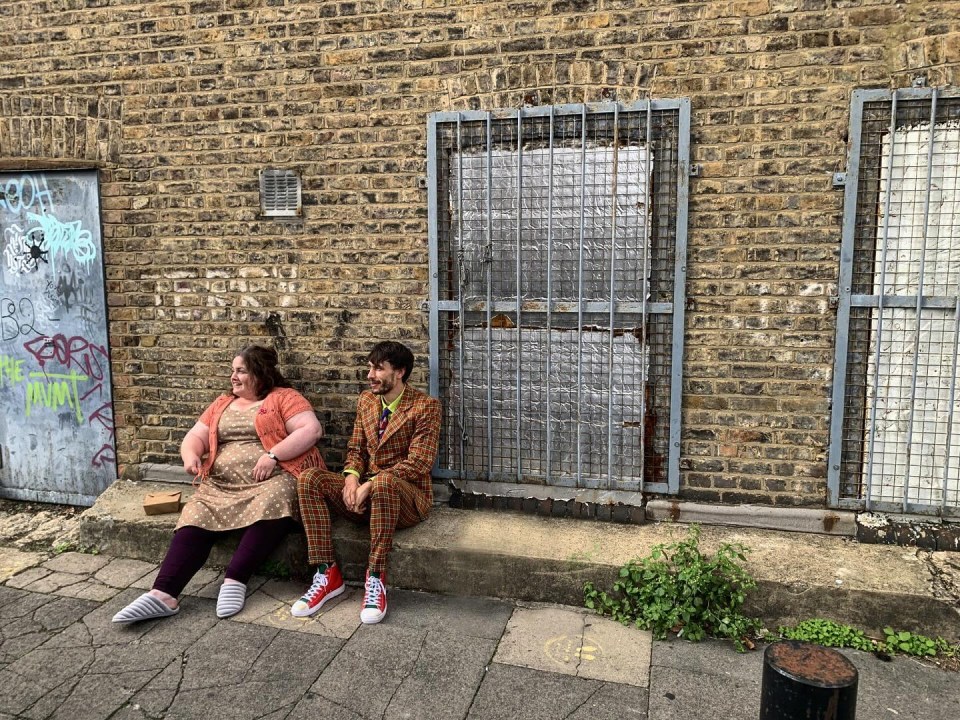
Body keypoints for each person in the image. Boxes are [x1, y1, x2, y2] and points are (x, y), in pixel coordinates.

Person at [113, 345, 325, 623]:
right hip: (222, 484)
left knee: (278, 496)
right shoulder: (221, 403)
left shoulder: (284, 398)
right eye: (232, 371)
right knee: (196, 511)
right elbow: (195, 436)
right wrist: (190, 457)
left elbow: (311, 430)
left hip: (271, 478)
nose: (233, 377)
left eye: (241, 371)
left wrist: (273, 455)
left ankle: (235, 580)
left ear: (259, 374)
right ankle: (163, 594)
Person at [292, 340, 441, 624]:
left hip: (405, 501)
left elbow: (419, 462)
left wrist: (370, 484)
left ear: (399, 372)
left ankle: (375, 578)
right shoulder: (367, 401)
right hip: (363, 494)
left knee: (384, 482)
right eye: (370, 367)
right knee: (310, 478)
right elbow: (356, 449)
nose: (370, 374)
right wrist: (350, 479)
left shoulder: (426, 407)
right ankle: (327, 574)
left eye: (378, 368)